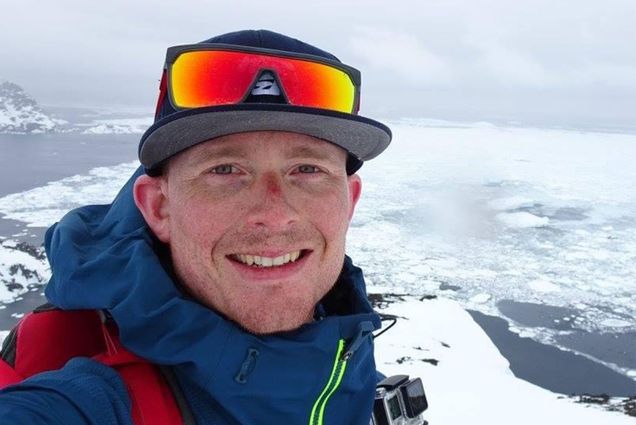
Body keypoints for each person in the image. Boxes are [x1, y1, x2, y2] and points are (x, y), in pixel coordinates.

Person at [0, 29, 392, 424]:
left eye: (308, 169)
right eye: (224, 170)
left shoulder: (356, 384)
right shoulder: (93, 404)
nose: (274, 214)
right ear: (159, 207)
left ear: (350, 201)